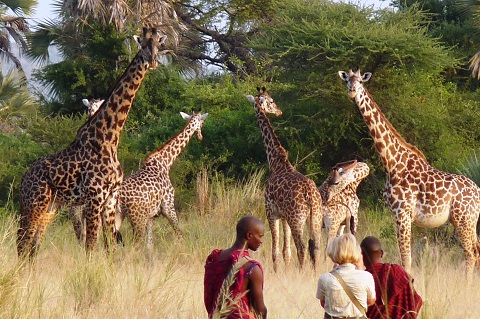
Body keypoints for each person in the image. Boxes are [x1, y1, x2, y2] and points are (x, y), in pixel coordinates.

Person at [204, 215, 267, 319]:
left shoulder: (215, 259)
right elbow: (260, 309)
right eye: (260, 236)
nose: (261, 241)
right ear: (249, 235)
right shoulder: (252, 268)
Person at [360, 236, 423, 319]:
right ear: (381, 253)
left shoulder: (362, 278)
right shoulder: (398, 271)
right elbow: (416, 301)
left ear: (362, 256)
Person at [317, 233, 376, 319]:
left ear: (334, 251)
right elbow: (371, 301)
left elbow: (323, 303)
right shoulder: (367, 277)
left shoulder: (324, 278)